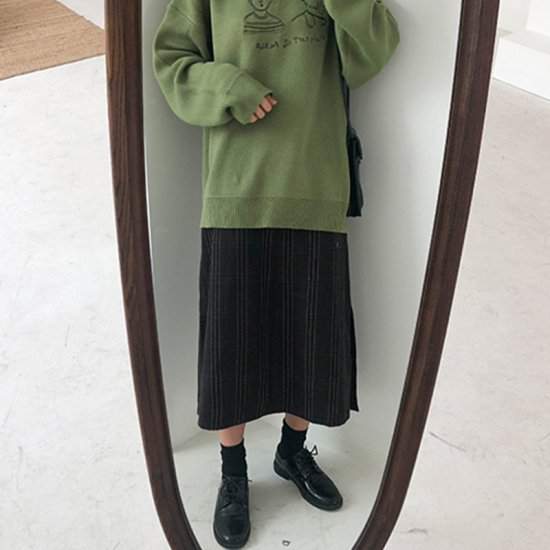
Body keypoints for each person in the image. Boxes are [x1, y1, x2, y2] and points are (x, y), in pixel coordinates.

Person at [152, 0, 399, 547]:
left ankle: (291, 452)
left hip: (316, 181)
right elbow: (172, 61)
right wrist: (228, 86)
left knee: (311, 341)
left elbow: (373, 52)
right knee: (231, 346)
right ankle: (233, 472)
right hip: (235, 188)